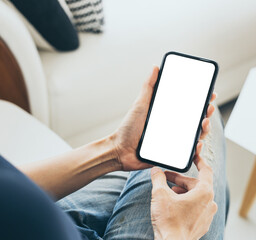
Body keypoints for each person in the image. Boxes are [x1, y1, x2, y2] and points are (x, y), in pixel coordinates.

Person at [0, 67, 228, 239]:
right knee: (197, 169)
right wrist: (176, 233)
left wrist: (115, 150)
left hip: (58, 220)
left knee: (178, 165)